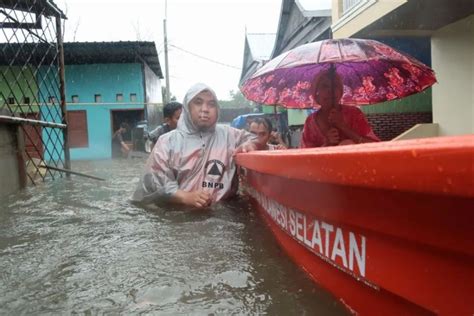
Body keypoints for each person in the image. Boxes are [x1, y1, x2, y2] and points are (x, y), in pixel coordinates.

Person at [132, 83, 260, 208]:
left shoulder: (230, 135)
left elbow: (257, 138)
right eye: (198, 102)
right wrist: (185, 197)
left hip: (223, 213)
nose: (205, 109)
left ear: (217, 110)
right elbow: (156, 182)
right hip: (180, 218)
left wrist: (251, 143)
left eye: (211, 104)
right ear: (187, 108)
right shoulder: (167, 141)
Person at [300, 69, 380, 148]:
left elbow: (375, 146)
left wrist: (343, 127)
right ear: (316, 93)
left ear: (341, 92)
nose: (330, 91)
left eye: (335, 86)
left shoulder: (354, 114)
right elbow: (305, 157)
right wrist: (327, 143)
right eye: (324, 86)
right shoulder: (310, 122)